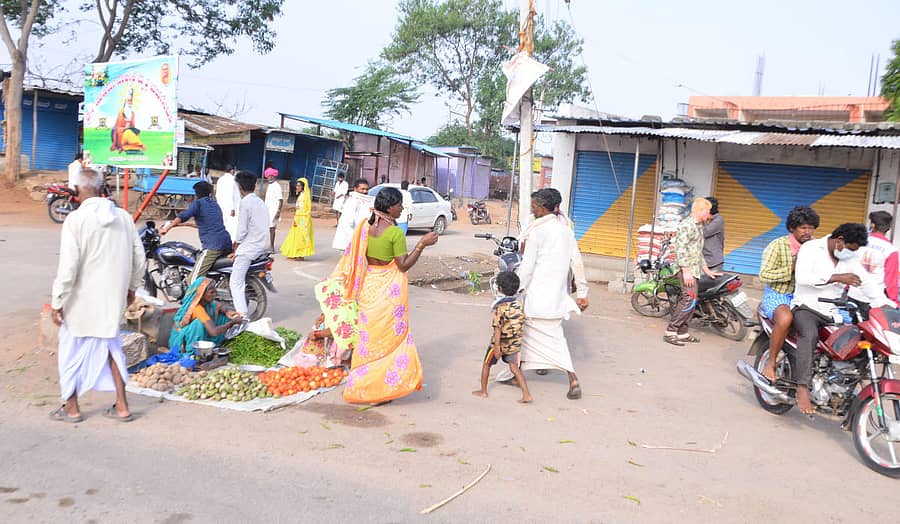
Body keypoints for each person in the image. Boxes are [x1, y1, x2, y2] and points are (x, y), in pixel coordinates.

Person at [315, 187, 438, 404]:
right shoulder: (395, 232)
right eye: (400, 204)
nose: (402, 208)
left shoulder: (366, 226)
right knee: (388, 339)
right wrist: (422, 244)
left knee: (368, 339)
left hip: (368, 287)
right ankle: (381, 390)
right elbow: (403, 265)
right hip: (387, 292)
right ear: (390, 207)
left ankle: (364, 385)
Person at [49, 167, 146, 423]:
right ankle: (122, 406)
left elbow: (68, 267)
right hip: (112, 299)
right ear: (102, 188)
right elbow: (140, 258)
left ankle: (71, 408)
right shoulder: (123, 218)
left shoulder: (75, 220)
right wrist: (132, 288)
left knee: (70, 352)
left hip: (80, 302)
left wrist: (57, 301)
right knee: (113, 348)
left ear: (78, 191)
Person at [496, 188, 588, 400]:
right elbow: (578, 262)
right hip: (557, 298)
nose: (533, 209)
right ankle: (517, 373)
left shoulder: (537, 232)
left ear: (544, 207)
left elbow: (527, 268)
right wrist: (582, 292)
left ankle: (572, 378)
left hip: (537, 297)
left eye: (535, 206)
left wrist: (513, 290)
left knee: (531, 336)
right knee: (539, 338)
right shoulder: (566, 231)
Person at [790, 223, 891, 415]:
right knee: (809, 336)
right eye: (850, 248)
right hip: (807, 307)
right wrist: (837, 277)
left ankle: (843, 390)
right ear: (840, 240)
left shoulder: (850, 257)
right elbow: (802, 278)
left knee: (858, 342)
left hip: (833, 312)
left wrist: (886, 305)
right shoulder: (811, 248)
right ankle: (802, 387)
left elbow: (866, 283)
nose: (850, 253)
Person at [759, 206, 820, 382]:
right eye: (803, 228)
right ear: (792, 228)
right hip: (779, 294)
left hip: (806, 296)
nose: (807, 232)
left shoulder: (816, 248)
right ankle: (771, 364)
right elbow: (764, 275)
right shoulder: (777, 246)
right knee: (785, 319)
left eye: (811, 228)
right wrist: (790, 269)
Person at [664, 198, 720, 346]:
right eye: (707, 211)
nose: (709, 215)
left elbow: (697, 251)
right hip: (686, 269)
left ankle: (682, 333)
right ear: (701, 211)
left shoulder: (698, 226)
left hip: (694, 269)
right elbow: (680, 249)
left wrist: (707, 270)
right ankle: (671, 331)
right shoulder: (687, 225)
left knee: (692, 301)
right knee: (688, 300)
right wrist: (686, 271)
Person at [472, 271, 532, 403]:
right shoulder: (519, 305)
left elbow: (497, 329)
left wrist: (497, 347)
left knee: (487, 364)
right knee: (514, 368)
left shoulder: (500, 308)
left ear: (500, 289)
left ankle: (483, 391)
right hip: (514, 344)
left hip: (498, 344)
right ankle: (526, 394)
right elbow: (523, 321)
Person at [160, 181, 233, 283]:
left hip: (213, 246)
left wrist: (167, 228)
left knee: (192, 280)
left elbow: (184, 216)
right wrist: (181, 225)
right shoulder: (214, 205)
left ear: (196, 194)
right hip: (226, 243)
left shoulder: (198, 204)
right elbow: (206, 224)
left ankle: (189, 298)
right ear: (209, 193)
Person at [229, 171, 270, 318]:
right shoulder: (261, 203)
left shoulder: (245, 203)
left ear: (240, 187)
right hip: (261, 246)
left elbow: (241, 231)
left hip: (248, 249)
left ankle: (242, 314)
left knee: (235, 283)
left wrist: (236, 246)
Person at [168, 278, 243, 353]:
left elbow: (218, 305)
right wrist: (232, 323)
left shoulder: (208, 303)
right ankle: (192, 351)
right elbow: (213, 332)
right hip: (180, 342)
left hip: (204, 333)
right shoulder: (197, 308)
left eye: (215, 291)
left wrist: (227, 312)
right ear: (201, 294)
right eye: (212, 292)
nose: (215, 294)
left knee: (223, 317)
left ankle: (212, 344)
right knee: (198, 324)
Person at [860, 211, 899, 303]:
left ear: (872, 225)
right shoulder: (891, 250)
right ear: (888, 228)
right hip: (874, 298)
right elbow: (891, 280)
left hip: (853, 294)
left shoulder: (859, 242)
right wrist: (894, 301)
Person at [332, 178, 373, 251]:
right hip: (351, 236)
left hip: (361, 234)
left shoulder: (367, 200)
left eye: (366, 189)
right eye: (362, 189)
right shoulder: (352, 201)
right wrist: (354, 238)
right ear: (355, 189)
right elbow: (348, 221)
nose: (365, 191)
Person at [280, 178, 315, 260]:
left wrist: (301, 219)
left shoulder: (305, 196)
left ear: (303, 187)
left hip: (303, 219)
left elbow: (307, 210)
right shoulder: (301, 195)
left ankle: (300, 255)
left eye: (299, 186)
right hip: (298, 218)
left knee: (301, 237)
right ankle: (296, 253)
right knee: (296, 236)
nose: (297, 187)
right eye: (297, 185)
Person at [216, 165, 241, 240]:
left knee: (223, 224)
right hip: (231, 208)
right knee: (232, 227)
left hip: (221, 205)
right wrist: (232, 208)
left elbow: (217, 194)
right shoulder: (232, 180)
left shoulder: (220, 179)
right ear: (232, 171)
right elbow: (231, 194)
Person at [702, 196, 725, 272]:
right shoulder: (706, 219)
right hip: (704, 259)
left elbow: (704, 232)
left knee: (711, 283)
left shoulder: (718, 220)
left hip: (713, 261)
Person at [264, 169, 284, 251]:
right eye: (268, 176)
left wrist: (278, 211)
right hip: (268, 211)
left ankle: (272, 247)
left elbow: (281, 200)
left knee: (272, 229)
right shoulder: (270, 185)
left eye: (271, 176)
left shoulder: (277, 186)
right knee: (268, 228)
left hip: (274, 211)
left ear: (274, 176)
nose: (270, 178)